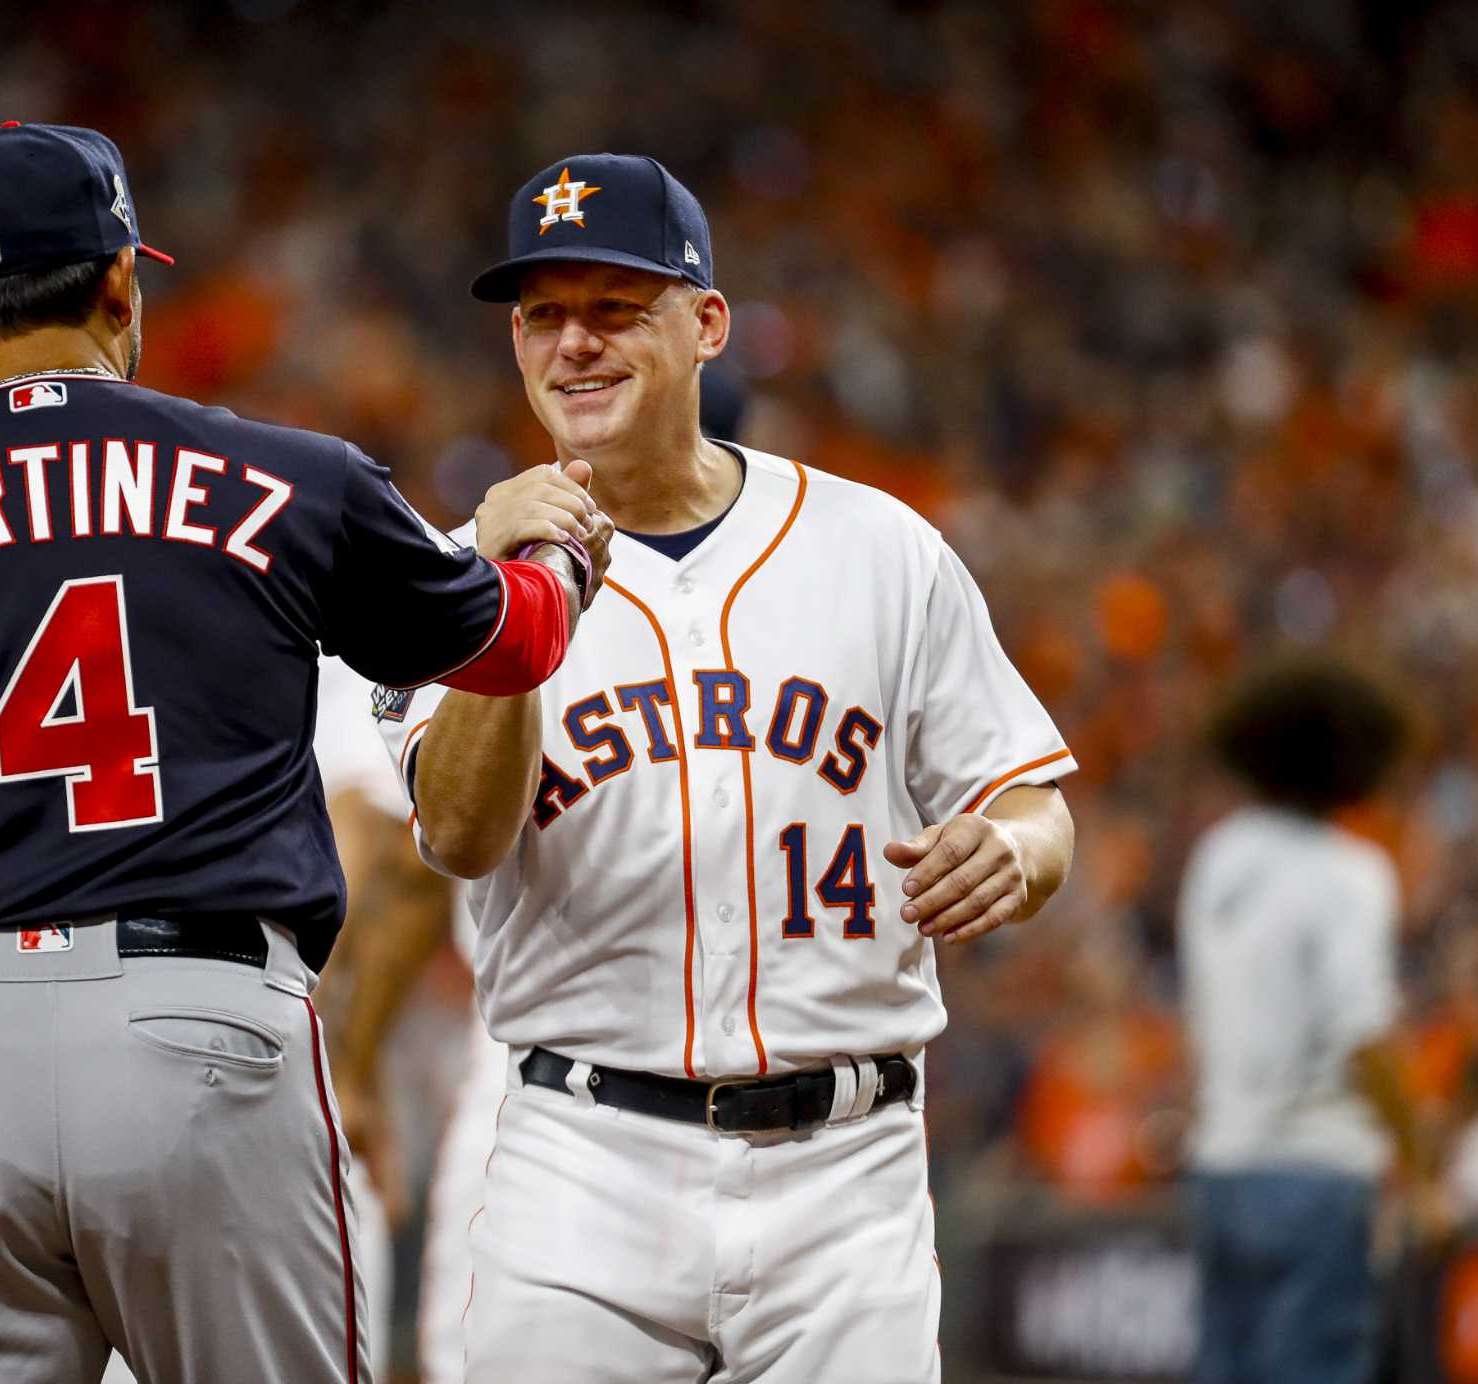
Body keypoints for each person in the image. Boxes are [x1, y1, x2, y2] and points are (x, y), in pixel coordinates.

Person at [0, 121, 611, 1384]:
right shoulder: (284, 476)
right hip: (204, 1034)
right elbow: (512, 644)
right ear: (121, 283)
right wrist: (545, 542)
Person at [374, 153, 1077, 1382]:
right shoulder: (453, 569)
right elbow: (460, 836)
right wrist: (504, 608)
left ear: (704, 324)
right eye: (542, 315)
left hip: (843, 1174)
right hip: (579, 1168)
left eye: (612, 308)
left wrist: (1012, 851)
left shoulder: (877, 548)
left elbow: (1030, 803)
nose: (572, 345)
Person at [332, 360, 751, 1384]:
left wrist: (354, 1068)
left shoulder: (496, 562)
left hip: (551, 1088)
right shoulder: (800, 582)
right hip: (703, 1091)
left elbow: (390, 859)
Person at [1179, 660, 1439, 1384]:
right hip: (1317, 1170)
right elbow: (1365, 1036)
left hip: (1222, 1164)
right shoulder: (1348, 873)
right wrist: (1419, 1169)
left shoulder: (1219, 856)